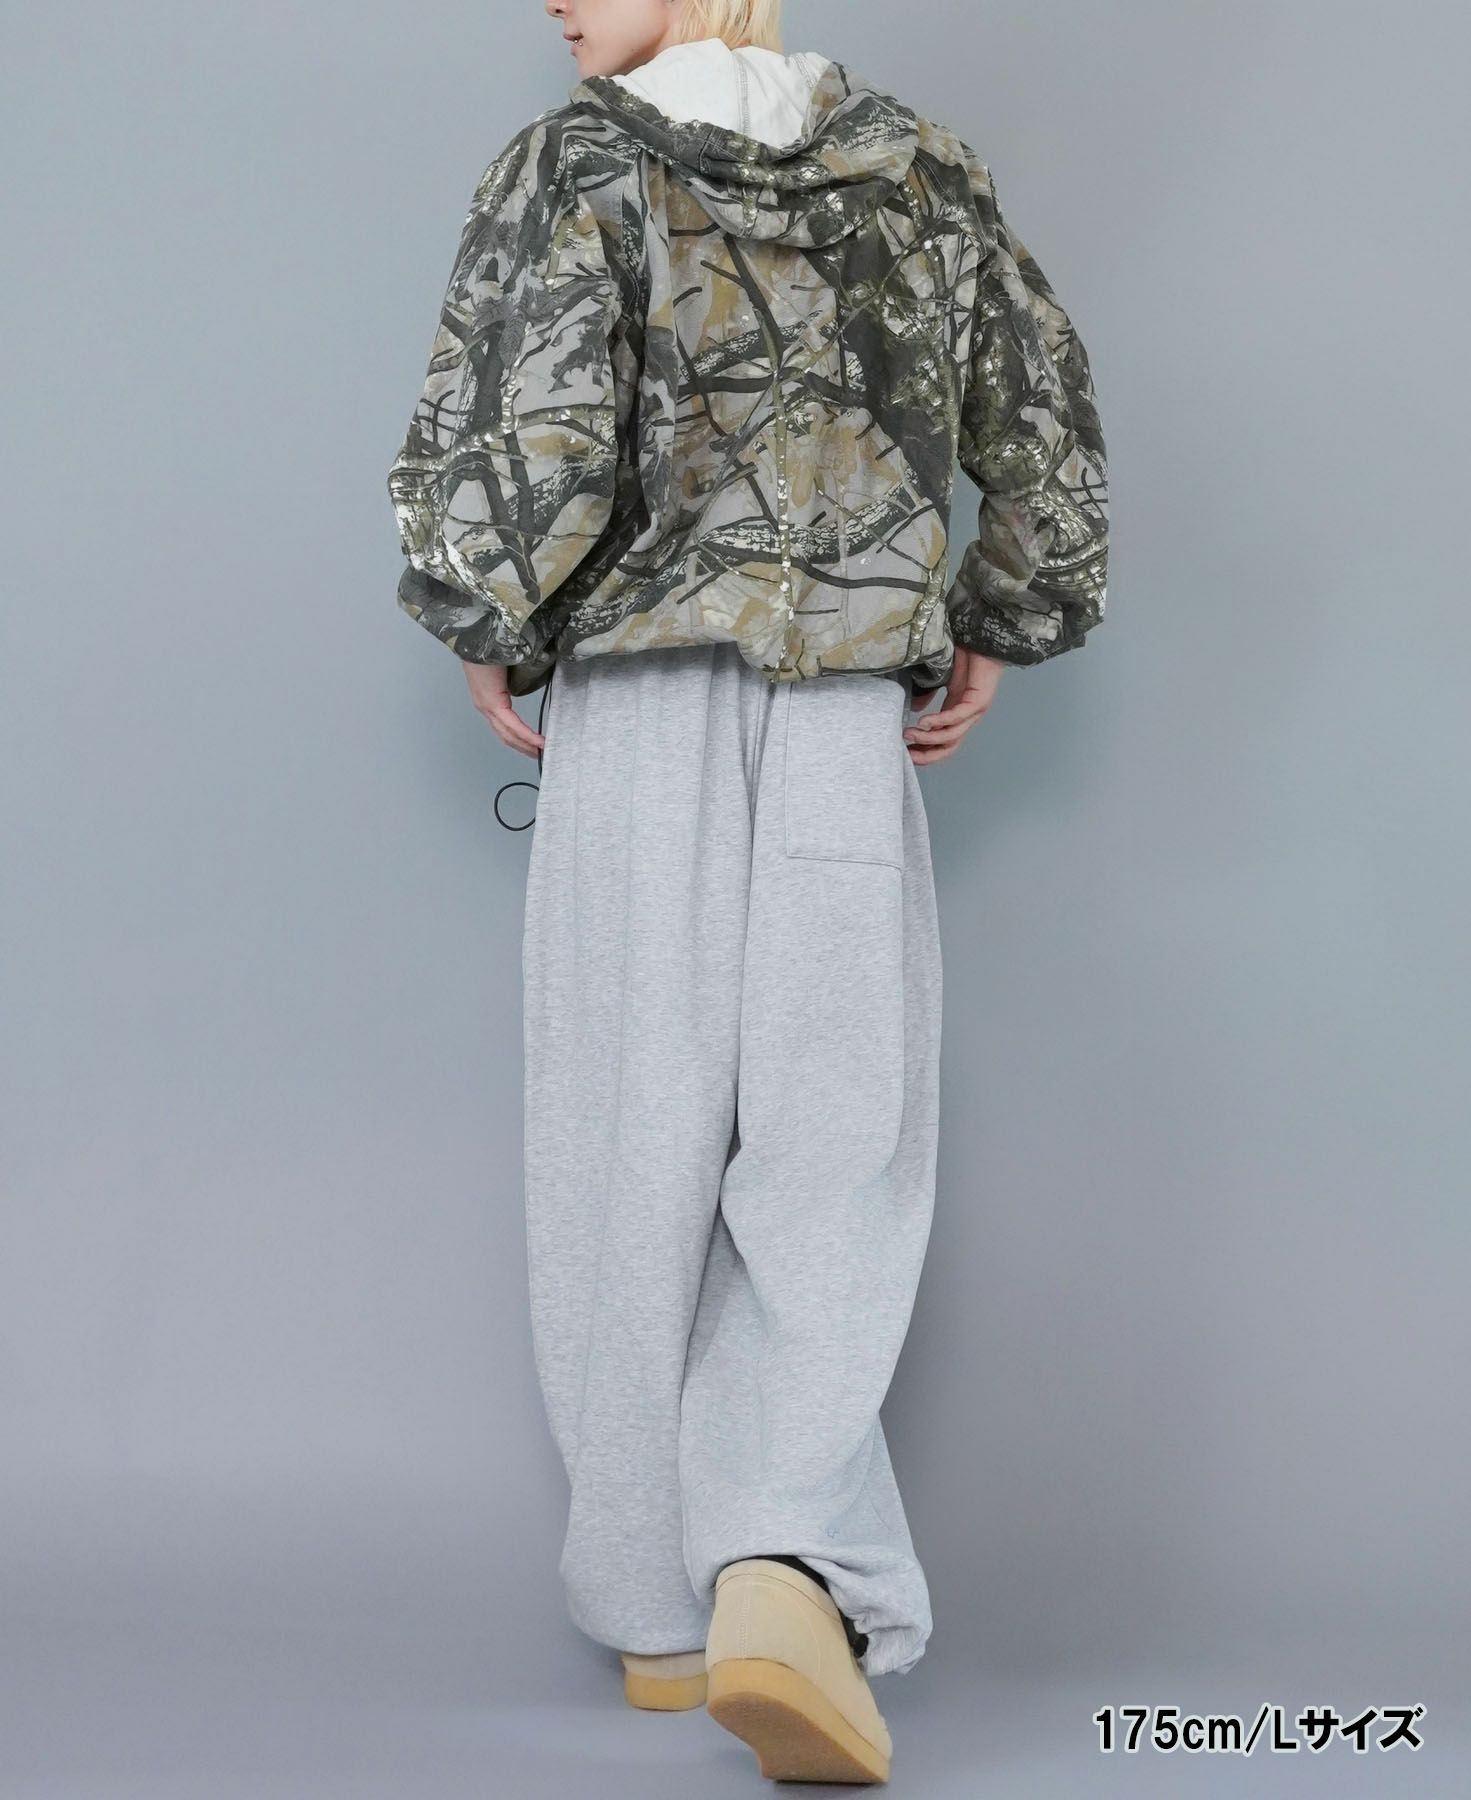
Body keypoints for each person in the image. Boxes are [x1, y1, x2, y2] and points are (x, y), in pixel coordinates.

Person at [385, 0, 1109, 1782]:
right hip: (851, 711)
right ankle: (782, 1555)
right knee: (837, 1139)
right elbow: (1040, 417)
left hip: (644, 706)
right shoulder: (923, 172)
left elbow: (534, 431)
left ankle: (659, 1604)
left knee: (632, 1132)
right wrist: (1004, 617)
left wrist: (486, 618)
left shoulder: (577, 162)